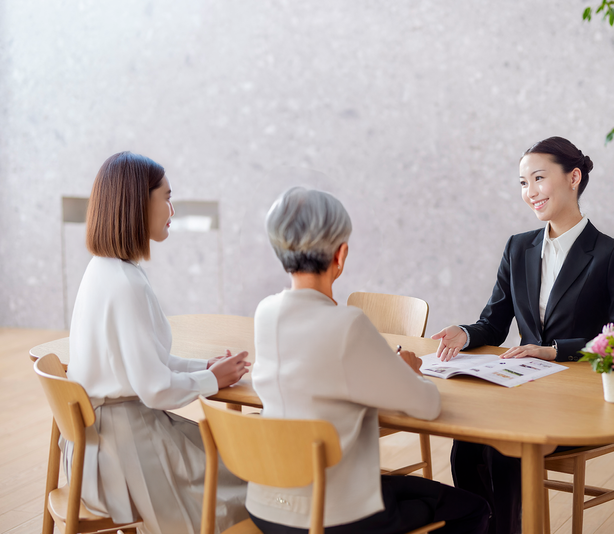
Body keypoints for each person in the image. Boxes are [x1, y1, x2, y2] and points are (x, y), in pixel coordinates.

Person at [248, 186, 489, 534]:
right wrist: (409, 372)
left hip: (267, 506)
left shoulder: (265, 311)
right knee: (473, 509)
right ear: (341, 254)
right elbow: (428, 405)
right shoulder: (347, 323)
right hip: (333, 517)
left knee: (399, 489)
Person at [432, 137, 614, 534]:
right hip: (524, 393)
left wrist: (553, 351)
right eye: (523, 183)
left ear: (573, 178)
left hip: (580, 401)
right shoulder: (518, 248)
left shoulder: (611, 253)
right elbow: (494, 323)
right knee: (467, 447)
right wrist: (463, 332)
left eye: (539, 178)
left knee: (504, 451)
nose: (530, 192)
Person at [66, 151, 250, 534]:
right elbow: (155, 388)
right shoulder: (125, 284)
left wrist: (205, 369)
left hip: (99, 450)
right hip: (127, 456)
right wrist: (212, 380)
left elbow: (148, 363)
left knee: (237, 462)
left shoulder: (103, 271)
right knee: (256, 483)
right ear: (137, 202)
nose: (172, 208)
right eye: (165, 196)